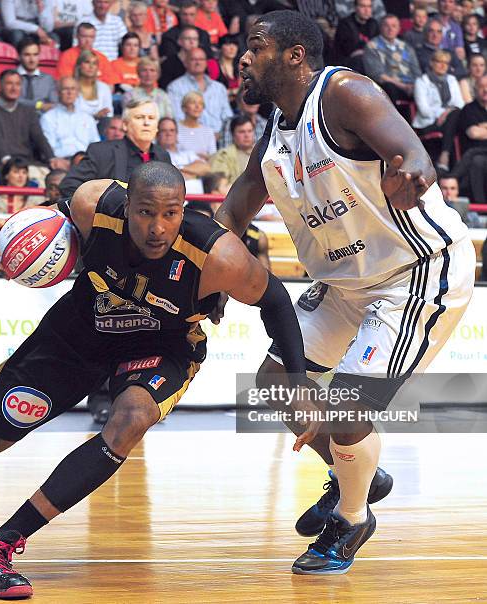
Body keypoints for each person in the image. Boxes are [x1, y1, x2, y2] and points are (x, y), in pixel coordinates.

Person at [0, 161, 308, 599]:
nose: (157, 227)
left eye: (171, 213)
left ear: (183, 210)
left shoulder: (220, 257)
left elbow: (276, 302)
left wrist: (298, 384)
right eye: (145, 212)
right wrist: (7, 237)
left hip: (161, 346)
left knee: (131, 419)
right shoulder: (93, 203)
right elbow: (45, 220)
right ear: (127, 208)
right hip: (80, 331)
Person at [214, 9, 475, 575]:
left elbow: (414, 152)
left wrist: (413, 173)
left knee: (346, 408)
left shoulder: (345, 92)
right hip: (344, 283)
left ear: (295, 55)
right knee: (274, 381)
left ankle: (352, 518)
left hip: (416, 272)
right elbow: (236, 206)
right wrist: (195, 265)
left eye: (255, 47)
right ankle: (352, 470)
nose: (242, 58)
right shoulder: (279, 130)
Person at [60, 98, 170, 196]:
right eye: (139, 117)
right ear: (125, 125)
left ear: (157, 126)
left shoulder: (163, 155)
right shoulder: (101, 152)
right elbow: (69, 185)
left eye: (151, 118)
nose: (146, 123)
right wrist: (101, 210)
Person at [0, 69, 67, 175]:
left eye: (17, 84)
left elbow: (39, 137)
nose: (14, 88)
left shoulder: (28, 112)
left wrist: (52, 158)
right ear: (0, 86)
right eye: (9, 83)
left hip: (27, 162)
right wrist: (9, 163)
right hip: (0, 163)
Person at [412, 49, 464, 171]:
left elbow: (459, 103)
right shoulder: (422, 81)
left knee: (456, 115)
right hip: (427, 123)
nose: (442, 65)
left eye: (446, 63)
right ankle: (447, 159)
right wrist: (444, 113)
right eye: (439, 61)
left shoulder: (451, 79)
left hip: (448, 121)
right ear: (431, 63)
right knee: (455, 117)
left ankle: (445, 155)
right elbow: (424, 111)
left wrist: (446, 113)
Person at [362, 14, 421, 114]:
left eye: (394, 26)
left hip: (411, 87)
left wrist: (415, 86)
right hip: (390, 87)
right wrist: (403, 86)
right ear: (381, 28)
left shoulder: (406, 47)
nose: (390, 29)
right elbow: (377, 74)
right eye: (386, 26)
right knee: (389, 87)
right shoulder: (372, 46)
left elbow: (417, 72)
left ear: (399, 29)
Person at [167, 47, 233, 135]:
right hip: (189, 138)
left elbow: (227, 117)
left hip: (219, 139)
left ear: (206, 63)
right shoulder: (175, 87)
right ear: (185, 63)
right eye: (193, 59)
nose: (198, 63)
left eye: (201, 59)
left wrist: (220, 134)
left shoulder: (219, 88)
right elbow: (177, 117)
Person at [40, 76, 100, 159]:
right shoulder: (48, 118)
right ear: (58, 92)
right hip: (62, 161)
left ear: (78, 92)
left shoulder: (87, 118)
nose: (69, 92)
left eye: (73, 89)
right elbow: (49, 149)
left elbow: (96, 145)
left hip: (86, 161)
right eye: (65, 89)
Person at [451, 75, 487, 204]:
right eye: (482, 87)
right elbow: (473, 133)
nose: (485, 90)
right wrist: (479, 129)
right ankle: (481, 208)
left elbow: (478, 131)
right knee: (477, 161)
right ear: (475, 89)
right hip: (476, 152)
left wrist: (483, 126)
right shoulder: (469, 109)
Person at [333, 0, 378, 70]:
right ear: (355, 8)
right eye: (363, 6)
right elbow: (350, 51)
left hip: (369, 59)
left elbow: (377, 46)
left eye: (369, 6)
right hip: (347, 64)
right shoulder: (345, 24)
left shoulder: (373, 24)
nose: (367, 10)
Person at [209, 113, 254, 183]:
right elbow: (220, 186)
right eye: (242, 132)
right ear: (233, 135)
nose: (247, 135)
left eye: (250, 131)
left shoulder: (264, 154)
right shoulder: (223, 156)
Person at [17, 38, 58, 112]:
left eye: (35, 55)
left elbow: (54, 104)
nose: (32, 60)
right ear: (19, 56)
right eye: (27, 55)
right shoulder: (10, 77)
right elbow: (14, 101)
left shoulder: (48, 79)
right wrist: (39, 105)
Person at [74, 49, 114, 120]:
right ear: (79, 65)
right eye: (87, 62)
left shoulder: (104, 88)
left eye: (94, 63)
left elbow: (109, 114)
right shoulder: (71, 87)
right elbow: (70, 114)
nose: (91, 66)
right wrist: (94, 116)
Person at [176, 90, 216, 157]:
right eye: (192, 102)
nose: (197, 106)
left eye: (200, 103)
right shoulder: (174, 129)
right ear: (184, 108)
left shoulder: (208, 131)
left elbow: (213, 157)